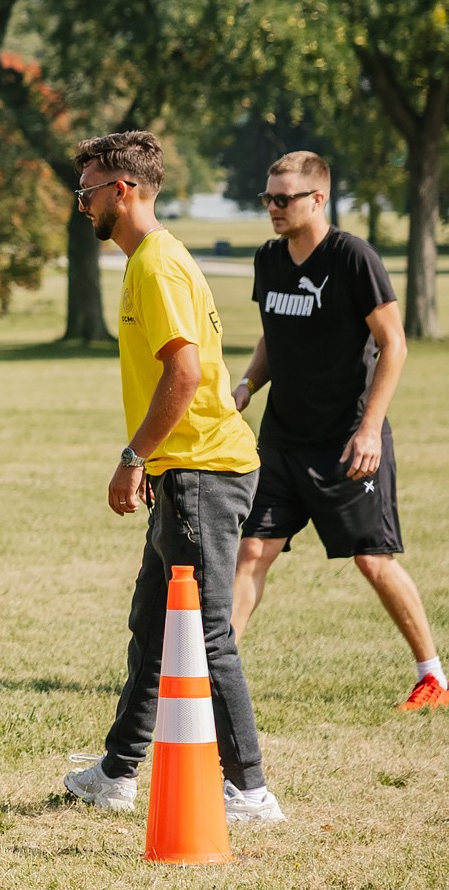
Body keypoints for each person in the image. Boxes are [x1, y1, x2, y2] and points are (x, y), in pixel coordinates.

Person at [62, 131, 283, 823]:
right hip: (184, 470)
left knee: (206, 633)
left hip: (203, 471)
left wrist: (133, 458)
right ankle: (117, 772)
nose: (81, 204)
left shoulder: (157, 264)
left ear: (122, 190)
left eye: (87, 191)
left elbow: (183, 374)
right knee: (152, 626)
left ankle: (249, 790)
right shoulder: (150, 260)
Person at [229, 151, 441, 710]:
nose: (272, 207)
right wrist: (247, 385)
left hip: (347, 441)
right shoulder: (268, 259)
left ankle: (433, 676)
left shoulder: (352, 257)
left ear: (317, 198)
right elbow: (273, 335)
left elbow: (394, 343)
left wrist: (369, 430)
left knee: (373, 558)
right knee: (253, 550)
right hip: (282, 440)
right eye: (268, 198)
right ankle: (216, 671)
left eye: (283, 198)